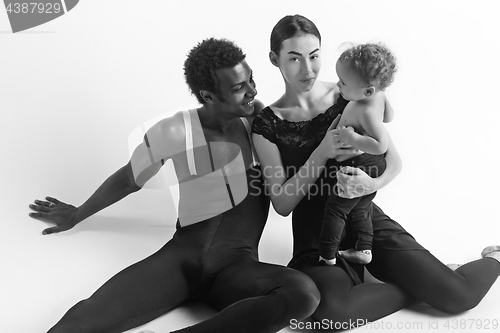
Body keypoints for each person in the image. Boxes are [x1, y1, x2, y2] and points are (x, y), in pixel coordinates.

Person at [28, 37, 320, 333]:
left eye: (251, 80)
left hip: (236, 269)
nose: (253, 91)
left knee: (302, 294)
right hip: (181, 262)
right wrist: (76, 215)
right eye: (238, 88)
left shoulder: (258, 119)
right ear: (207, 95)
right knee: (79, 323)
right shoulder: (174, 131)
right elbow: (130, 178)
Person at [252, 14, 500, 326]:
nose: (307, 69)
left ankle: (495, 257)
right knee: (332, 315)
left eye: (314, 56)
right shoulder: (266, 124)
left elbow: (393, 159)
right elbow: (282, 203)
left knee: (459, 297)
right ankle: (407, 288)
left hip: (364, 219)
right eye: (294, 58)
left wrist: (372, 183)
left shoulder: (351, 92)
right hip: (316, 235)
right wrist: (322, 151)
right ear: (275, 59)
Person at [318, 43, 397, 266]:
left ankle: (327, 255)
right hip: (370, 165)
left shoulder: (367, 111)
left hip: (361, 166)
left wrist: (354, 139)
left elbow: (381, 145)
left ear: (367, 91)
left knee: (336, 209)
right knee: (361, 208)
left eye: (343, 82)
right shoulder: (377, 98)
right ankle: (364, 249)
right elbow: (389, 117)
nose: (338, 84)